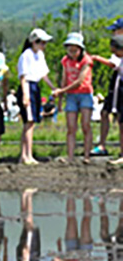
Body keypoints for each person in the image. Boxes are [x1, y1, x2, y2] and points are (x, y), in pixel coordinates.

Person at [16, 29, 56, 165]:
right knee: (29, 121)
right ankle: (26, 155)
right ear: (34, 42)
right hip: (27, 87)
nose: (44, 46)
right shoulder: (26, 55)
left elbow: (44, 74)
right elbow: (23, 76)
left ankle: (26, 154)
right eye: (42, 43)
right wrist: (25, 94)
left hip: (35, 87)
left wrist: (53, 88)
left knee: (31, 122)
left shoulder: (40, 55)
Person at [53, 33, 94, 163]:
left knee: (85, 125)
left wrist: (62, 91)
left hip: (84, 94)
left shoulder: (86, 61)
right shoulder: (65, 60)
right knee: (71, 127)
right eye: (70, 50)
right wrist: (60, 99)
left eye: (75, 50)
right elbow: (64, 79)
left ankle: (86, 155)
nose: (72, 53)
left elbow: (80, 81)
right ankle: (70, 156)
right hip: (71, 95)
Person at [90, 19, 123, 157]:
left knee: (120, 116)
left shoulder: (119, 46)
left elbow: (112, 64)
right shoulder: (118, 45)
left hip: (120, 81)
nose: (113, 33)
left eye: (115, 30)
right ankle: (102, 144)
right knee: (105, 112)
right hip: (117, 79)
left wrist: (97, 58)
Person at [16, 189, 40, 261]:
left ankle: (29, 196)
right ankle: (23, 196)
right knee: (25, 221)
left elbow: (25, 251)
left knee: (29, 220)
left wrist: (29, 237)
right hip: (25, 244)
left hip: (30, 244)